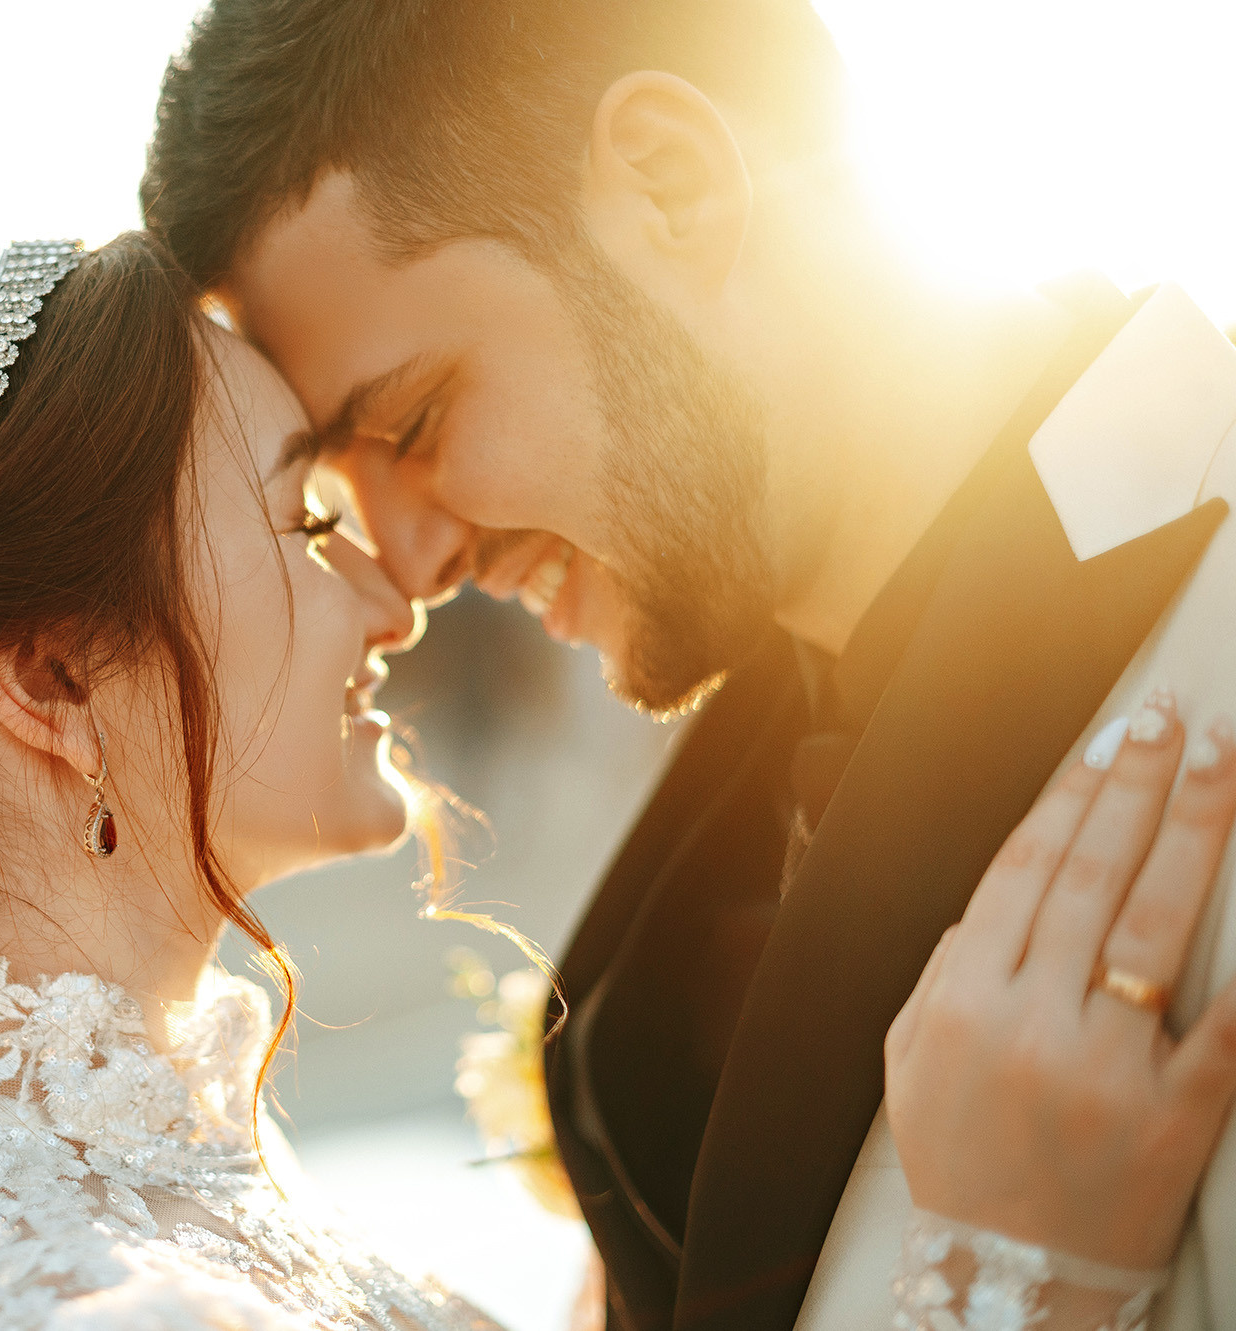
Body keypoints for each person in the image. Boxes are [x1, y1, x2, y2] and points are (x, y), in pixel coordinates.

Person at [0, 119, 1232, 1331]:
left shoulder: (94, 1225)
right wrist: (992, 1276)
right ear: (43, 684)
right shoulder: (92, 1304)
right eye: (299, 516)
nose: (394, 580)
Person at [139, 2, 1236, 1328]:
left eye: (418, 419)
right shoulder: (698, 840)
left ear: (670, 184)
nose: (413, 566)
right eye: (343, 486)